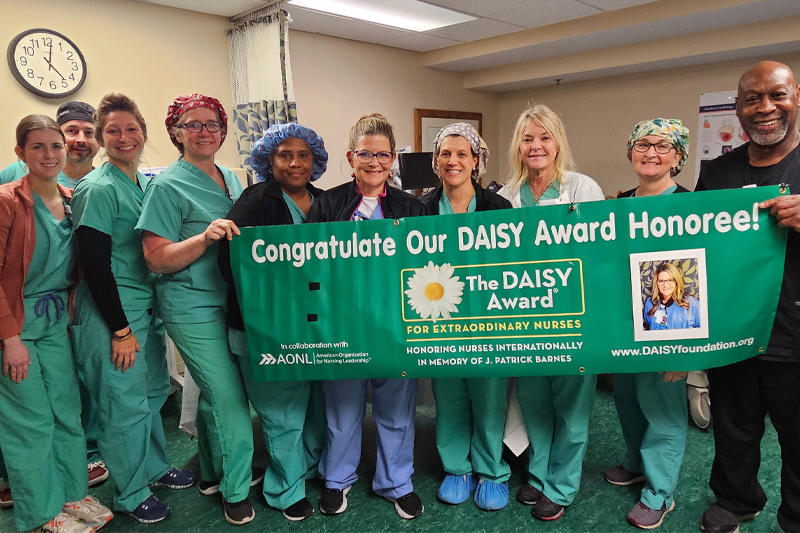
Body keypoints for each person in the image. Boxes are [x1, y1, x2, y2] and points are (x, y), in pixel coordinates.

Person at [71, 93, 195, 525]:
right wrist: (120, 331)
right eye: (113, 131)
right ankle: (130, 491)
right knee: (121, 408)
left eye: (131, 128)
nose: (124, 137)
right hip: (111, 316)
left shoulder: (144, 182)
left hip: (144, 308)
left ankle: (155, 467)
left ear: (143, 131)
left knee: (150, 395)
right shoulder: (98, 188)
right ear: (102, 138)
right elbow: (94, 266)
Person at [137, 94, 255, 526]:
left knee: (211, 394)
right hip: (191, 306)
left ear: (223, 131)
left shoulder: (232, 177)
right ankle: (236, 490)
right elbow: (155, 257)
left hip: (231, 302)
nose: (204, 131)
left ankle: (210, 472)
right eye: (193, 124)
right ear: (176, 132)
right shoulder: (167, 186)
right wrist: (204, 239)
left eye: (212, 124)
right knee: (230, 400)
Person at [695, 60, 800, 533]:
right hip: (734, 329)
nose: (765, 108)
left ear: (797, 97)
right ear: (737, 109)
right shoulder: (716, 174)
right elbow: (693, 253)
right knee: (734, 428)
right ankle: (736, 500)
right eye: (752, 99)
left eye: (776, 95)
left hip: (795, 333)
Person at [308, 113, 426, 520]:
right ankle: (337, 479)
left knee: (396, 408)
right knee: (342, 408)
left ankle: (397, 481)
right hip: (342, 325)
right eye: (365, 154)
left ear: (393, 158)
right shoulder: (326, 204)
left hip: (395, 325)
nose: (374, 162)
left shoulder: (413, 207)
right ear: (350, 156)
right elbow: (310, 267)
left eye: (382, 154)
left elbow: (427, 268)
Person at [0, 114, 113, 532]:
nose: (49, 154)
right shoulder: (8, 200)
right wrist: (10, 339)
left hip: (55, 323)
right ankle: (41, 512)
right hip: (16, 324)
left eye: (55, 146)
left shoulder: (70, 198)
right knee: (30, 419)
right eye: (37, 147)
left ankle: (71, 494)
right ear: (20, 154)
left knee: (68, 412)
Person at [218, 122, 328, 522]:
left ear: (315, 160)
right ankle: (285, 489)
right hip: (263, 328)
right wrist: (276, 299)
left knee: (315, 408)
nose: (295, 163)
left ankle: (309, 468)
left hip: (313, 326)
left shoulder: (322, 200)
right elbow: (230, 264)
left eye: (303, 155)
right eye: (285, 155)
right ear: (268, 160)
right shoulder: (255, 200)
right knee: (280, 412)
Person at [500, 104, 603, 521]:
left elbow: (599, 253)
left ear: (558, 142)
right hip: (525, 318)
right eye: (528, 138)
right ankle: (539, 474)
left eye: (544, 137)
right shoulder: (506, 195)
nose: (536, 146)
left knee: (572, 406)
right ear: (518, 146)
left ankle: (561, 485)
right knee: (534, 400)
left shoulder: (582, 188)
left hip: (574, 316)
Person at [418, 123, 512, 511]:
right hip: (438, 318)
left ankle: (491, 471)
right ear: (436, 161)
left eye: (462, 154)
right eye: (445, 154)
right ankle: (457, 468)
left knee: (489, 397)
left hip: (488, 317)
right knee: (450, 395)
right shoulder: (419, 208)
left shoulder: (497, 208)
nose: (452, 161)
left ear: (476, 161)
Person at [604, 118, 692, 529]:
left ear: (678, 156)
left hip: (669, 328)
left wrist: (687, 349)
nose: (651, 153)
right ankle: (637, 463)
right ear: (630, 152)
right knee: (628, 400)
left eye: (662, 146)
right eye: (642, 144)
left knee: (662, 410)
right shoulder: (617, 204)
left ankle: (659, 493)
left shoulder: (692, 206)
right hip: (626, 326)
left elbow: (701, 277)